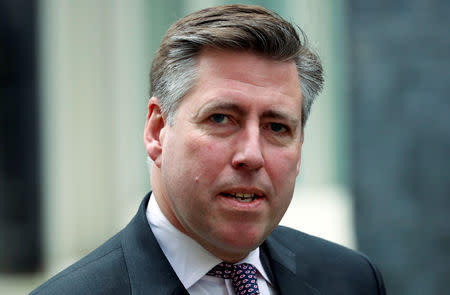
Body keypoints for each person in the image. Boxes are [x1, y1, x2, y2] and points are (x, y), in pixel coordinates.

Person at [31, 4, 386, 295]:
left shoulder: (353, 280)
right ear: (157, 131)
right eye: (221, 119)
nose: (251, 155)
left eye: (277, 127)